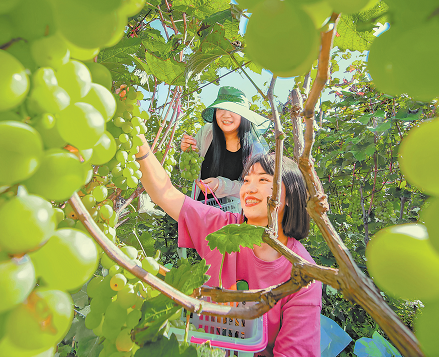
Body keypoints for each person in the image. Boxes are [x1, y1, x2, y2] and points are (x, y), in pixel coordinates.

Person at [136, 134, 323, 357]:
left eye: (263, 180)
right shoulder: (224, 227)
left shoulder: (303, 275)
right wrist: (140, 143)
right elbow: (164, 194)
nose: (249, 189)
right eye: (246, 181)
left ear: (291, 196)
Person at [180, 86, 270, 203]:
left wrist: (220, 185)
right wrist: (186, 152)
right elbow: (188, 171)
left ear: (244, 117)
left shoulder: (256, 149)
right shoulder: (206, 133)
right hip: (199, 211)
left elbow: (255, 188)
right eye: (221, 109)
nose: (226, 115)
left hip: (234, 218)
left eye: (233, 110)